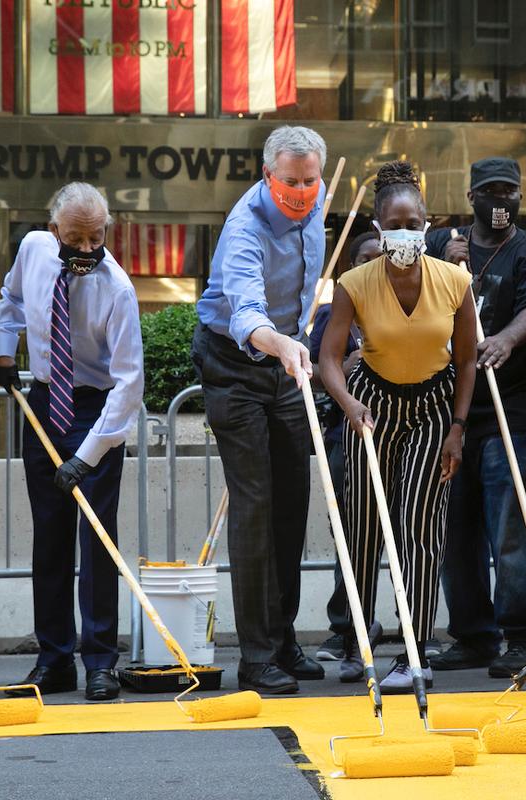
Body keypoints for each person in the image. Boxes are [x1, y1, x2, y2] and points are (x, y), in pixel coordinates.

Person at [319, 160, 476, 692]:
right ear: (379, 226)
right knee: (363, 528)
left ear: (427, 224)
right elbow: (330, 358)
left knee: (419, 529)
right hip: (371, 405)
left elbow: (469, 359)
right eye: (396, 223)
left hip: (433, 408)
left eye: (415, 222)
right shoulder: (354, 282)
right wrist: (347, 404)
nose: (406, 231)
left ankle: (414, 652)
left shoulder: (455, 280)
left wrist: (458, 426)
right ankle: (358, 642)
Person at [0, 183, 142, 702]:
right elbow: (12, 297)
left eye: (95, 237)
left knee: (97, 540)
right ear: (54, 229)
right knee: (49, 537)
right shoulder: (34, 249)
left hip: (95, 411)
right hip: (44, 399)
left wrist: (87, 456)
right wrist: (6, 350)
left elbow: (129, 382)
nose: (85, 248)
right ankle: (54, 659)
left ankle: (100, 660)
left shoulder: (118, 289)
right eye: (74, 237)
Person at [193, 126, 328, 694]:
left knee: (293, 500)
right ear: (268, 175)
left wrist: (297, 342)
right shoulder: (244, 226)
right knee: (254, 504)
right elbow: (246, 311)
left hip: (286, 360)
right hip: (234, 360)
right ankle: (256, 655)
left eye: (309, 180)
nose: (301, 192)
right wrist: (285, 343)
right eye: (290, 182)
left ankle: (283, 634)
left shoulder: (319, 202)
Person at [424, 157, 526, 678]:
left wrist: (507, 338)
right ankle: (473, 634)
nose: (501, 201)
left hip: (514, 406)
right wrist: (441, 262)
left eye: (510, 192)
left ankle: (524, 635)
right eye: (491, 192)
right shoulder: (441, 246)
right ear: (472, 196)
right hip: (452, 410)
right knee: (457, 529)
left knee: (514, 524)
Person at [310, 231, 385, 677]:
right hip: (348, 436)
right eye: (363, 258)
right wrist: (342, 367)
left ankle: (410, 630)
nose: (373, 264)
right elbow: (321, 365)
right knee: (353, 537)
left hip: (401, 433)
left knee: (403, 535)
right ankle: (348, 628)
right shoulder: (333, 313)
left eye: (379, 256)